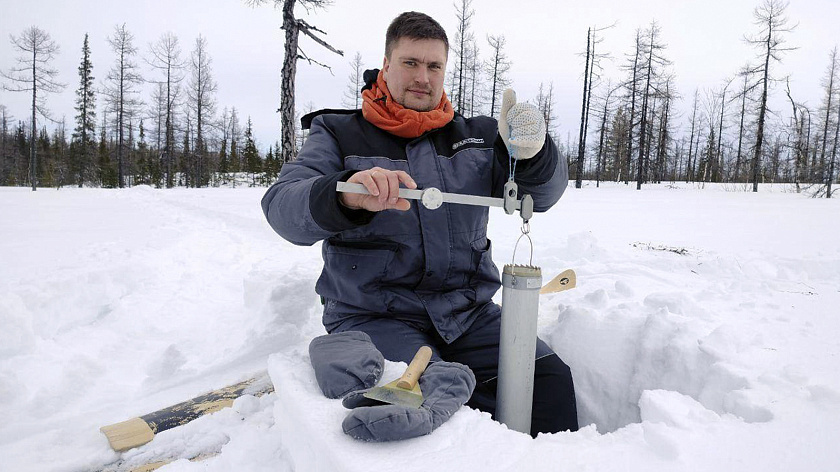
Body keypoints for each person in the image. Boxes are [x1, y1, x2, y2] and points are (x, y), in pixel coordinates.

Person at [262, 11, 578, 436]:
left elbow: (540, 197)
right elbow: (283, 208)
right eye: (410, 63)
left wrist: (534, 154)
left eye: (434, 66)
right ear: (386, 65)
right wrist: (347, 192)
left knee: (549, 384)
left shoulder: (479, 136)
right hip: (374, 317)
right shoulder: (338, 133)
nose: (423, 77)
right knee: (431, 397)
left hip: (468, 315)